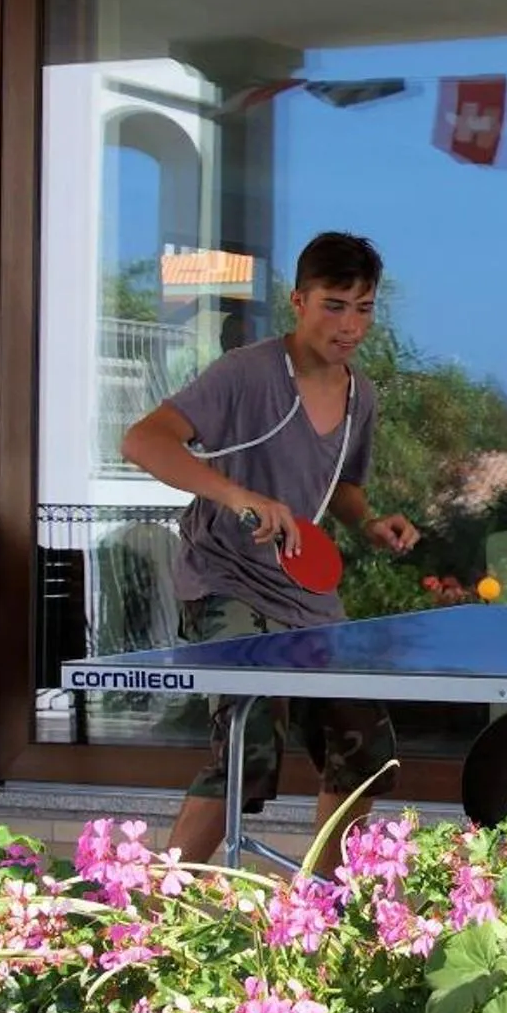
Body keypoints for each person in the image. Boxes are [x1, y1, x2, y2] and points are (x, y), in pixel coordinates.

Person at [120, 232, 423, 870]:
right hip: (224, 579)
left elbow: (340, 483)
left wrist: (368, 522)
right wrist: (237, 497)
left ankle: (324, 904)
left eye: (363, 308)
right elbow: (144, 441)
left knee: (366, 751)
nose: (350, 325)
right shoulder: (247, 372)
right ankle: (157, 910)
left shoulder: (360, 395)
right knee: (248, 747)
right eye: (334, 305)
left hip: (305, 593)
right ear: (298, 300)